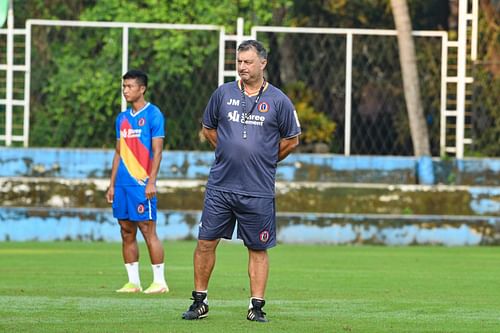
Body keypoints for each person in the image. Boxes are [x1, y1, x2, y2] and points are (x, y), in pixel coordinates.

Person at [182, 40, 301, 322]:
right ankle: (199, 302)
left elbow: (292, 140)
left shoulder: (279, 100)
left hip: (257, 189)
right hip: (221, 186)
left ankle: (256, 306)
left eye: (248, 62)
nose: (242, 67)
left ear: (263, 63)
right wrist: (228, 151)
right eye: (239, 62)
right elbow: (208, 129)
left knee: (257, 248)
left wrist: (266, 159)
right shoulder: (222, 94)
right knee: (205, 242)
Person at [106, 69, 169, 294]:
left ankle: (159, 282)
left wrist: (152, 181)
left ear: (142, 88)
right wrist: (112, 184)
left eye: (130, 86)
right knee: (126, 230)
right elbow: (118, 152)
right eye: (124, 86)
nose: (125, 90)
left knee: (147, 229)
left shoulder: (153, 114)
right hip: (122, 184)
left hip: (142, 184)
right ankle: (133, 282)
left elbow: (157, 151)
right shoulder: (121, 119)